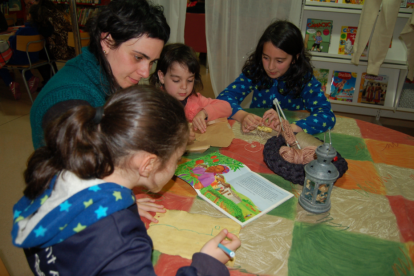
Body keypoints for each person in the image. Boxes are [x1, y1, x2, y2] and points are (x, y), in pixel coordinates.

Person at [12, 85, 241, 276]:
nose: (178, 165)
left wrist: (122, 202)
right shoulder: (121, 242)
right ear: (148, 164)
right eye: (178, 158)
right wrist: (207, 266)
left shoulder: (64, 167)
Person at [30, 0, 170, 150]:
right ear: (107, 42)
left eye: (152, 62)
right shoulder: (69, 102)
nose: (145, 72)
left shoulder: (108, 75)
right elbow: (87, 169)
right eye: (138, 57)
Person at [216, 20, 336, 135]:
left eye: (279, 60)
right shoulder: (256, 70)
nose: (270, 67)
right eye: (266, 57)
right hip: (256, 135)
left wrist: (290, 127)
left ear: (295, 58)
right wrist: (242, 116)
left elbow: (326, 115)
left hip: (290, 138)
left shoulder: (304, 78)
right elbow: (223, 99)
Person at [150, 43, 231, 134]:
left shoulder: (195, 99)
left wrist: (204, 113)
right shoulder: (154, 104)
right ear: (161, 76)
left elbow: (227, 107)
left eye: (189, 80)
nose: (184, 87)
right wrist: (182, 137)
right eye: (176, 80)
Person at [0, 8, 41, 100]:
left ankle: (11, 83)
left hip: (23, 59)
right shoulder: (39, 29)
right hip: (34, 57)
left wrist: (13, 36)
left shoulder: (22, 30)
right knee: (17, 58)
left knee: (1, 60)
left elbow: (12, 43)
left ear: (29, 16)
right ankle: (30, 77)